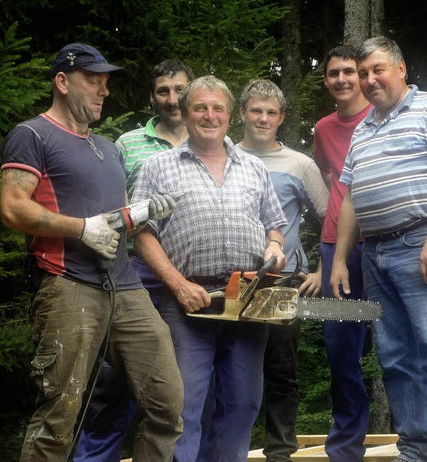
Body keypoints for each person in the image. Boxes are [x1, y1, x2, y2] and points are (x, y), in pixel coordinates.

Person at [0, 43, 184, 461]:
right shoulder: (32, 134)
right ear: (62, 82)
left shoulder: (107, 147)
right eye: (92, 81)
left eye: (106, 83)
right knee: (58, 417)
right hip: (68, 285)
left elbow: (111, 218)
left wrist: (143, 211)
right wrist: (81, 229)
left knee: (167, 404)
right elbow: (13, 207)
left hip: (126, 285)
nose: (104, 91)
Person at [329, 36, 427, 462]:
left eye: (377, 69)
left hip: (420, 242)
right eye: (363, 73)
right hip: (374, 253)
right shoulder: (363, 128)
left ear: (401, 68)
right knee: (394, 355)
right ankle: (416, 446)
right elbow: (352, 198)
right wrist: (340, 259)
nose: (369, 79)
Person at [131, 75, 288, 462]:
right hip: (188, 300)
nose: (209, 115)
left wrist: (274, 246)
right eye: (200, 107)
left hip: (248, 299)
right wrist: (177, 283)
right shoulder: (158, 167)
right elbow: (141, 231)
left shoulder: (253, 167)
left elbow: (275, 224)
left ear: (230, 115)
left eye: (218, 108)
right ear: (185, 113)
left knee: (243, 402)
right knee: (182, 404)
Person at [73, 58, 195, 462]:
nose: (173, 99)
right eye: (164, 91)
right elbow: (109, 211)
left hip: (197, 281)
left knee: (180, 390)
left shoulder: (215, 141)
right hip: (134, 274)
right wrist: (141, 210)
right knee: (114, 386)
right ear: (152, 97)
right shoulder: (125, 145)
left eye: (180, 89)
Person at [235, 78, 329, 462]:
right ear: (242, 113)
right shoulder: (222, 155)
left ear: (281, 118)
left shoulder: (299, 164)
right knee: (232, 370)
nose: (262, 118)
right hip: (231, 281)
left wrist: (323, 270)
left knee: (280, 370)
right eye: (256, 110)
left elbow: (330, 219)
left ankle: (279, 452)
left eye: (271, 112)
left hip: (282, 281)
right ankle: (226, 448)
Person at [312, 44, 373, 462]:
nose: (342, 79)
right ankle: (346, 448)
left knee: (399, 344)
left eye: (349, 71)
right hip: (338, 248)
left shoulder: (384, 115)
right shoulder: (324, 128)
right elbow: (330, 175)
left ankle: (419, 439)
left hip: (386, 244)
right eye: (334, 73)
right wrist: (325, 257)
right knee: (342, 349)